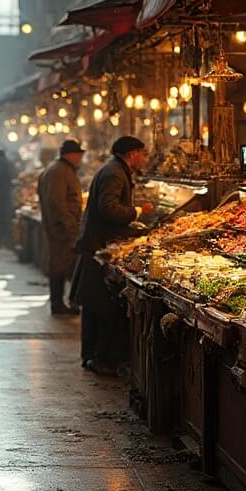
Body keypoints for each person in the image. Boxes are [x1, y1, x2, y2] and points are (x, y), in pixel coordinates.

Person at [72, 136, 153, 375]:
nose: (144, 158)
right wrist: (137, 211)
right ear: (131, 154)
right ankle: (102, 358)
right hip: (100, 248)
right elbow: (109, 208)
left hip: (99, 245)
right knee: (102, 307)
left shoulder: (113, 170)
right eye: (143, 153)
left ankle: (92, 356)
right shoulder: (114, 173)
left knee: (94, 307)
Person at [38, 138, 85, 315]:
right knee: (59, 265)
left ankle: (60, 302)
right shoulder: (58, 172)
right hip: (61, 230)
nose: (80, 159)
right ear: (71, 155)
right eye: (79, 155)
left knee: (61, 264)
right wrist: (69, 226)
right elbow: (56, 202)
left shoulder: (60, 169)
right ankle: (57, 303)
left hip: (62, 227)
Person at [0, 148, 15, 248]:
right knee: (5, 217)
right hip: (6, 193)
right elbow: (12, 175)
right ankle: (5, 240)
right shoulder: (8, 163)